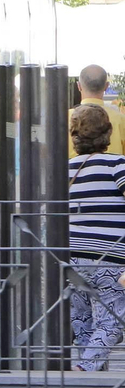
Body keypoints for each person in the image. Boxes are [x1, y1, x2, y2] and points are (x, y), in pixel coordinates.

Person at [68, 104, 125, 370]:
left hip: (72, 259)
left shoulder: (64, 170)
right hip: (110, 257)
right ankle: (85, 370)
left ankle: (88, 387)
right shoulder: (117, 165)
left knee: (83, 323)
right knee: (114, 318)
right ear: (108, 132)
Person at [70, 65, 125, 157]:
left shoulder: (63, 118)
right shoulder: (121, 120)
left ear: (79, 86)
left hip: (73, 171)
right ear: (106, 86)